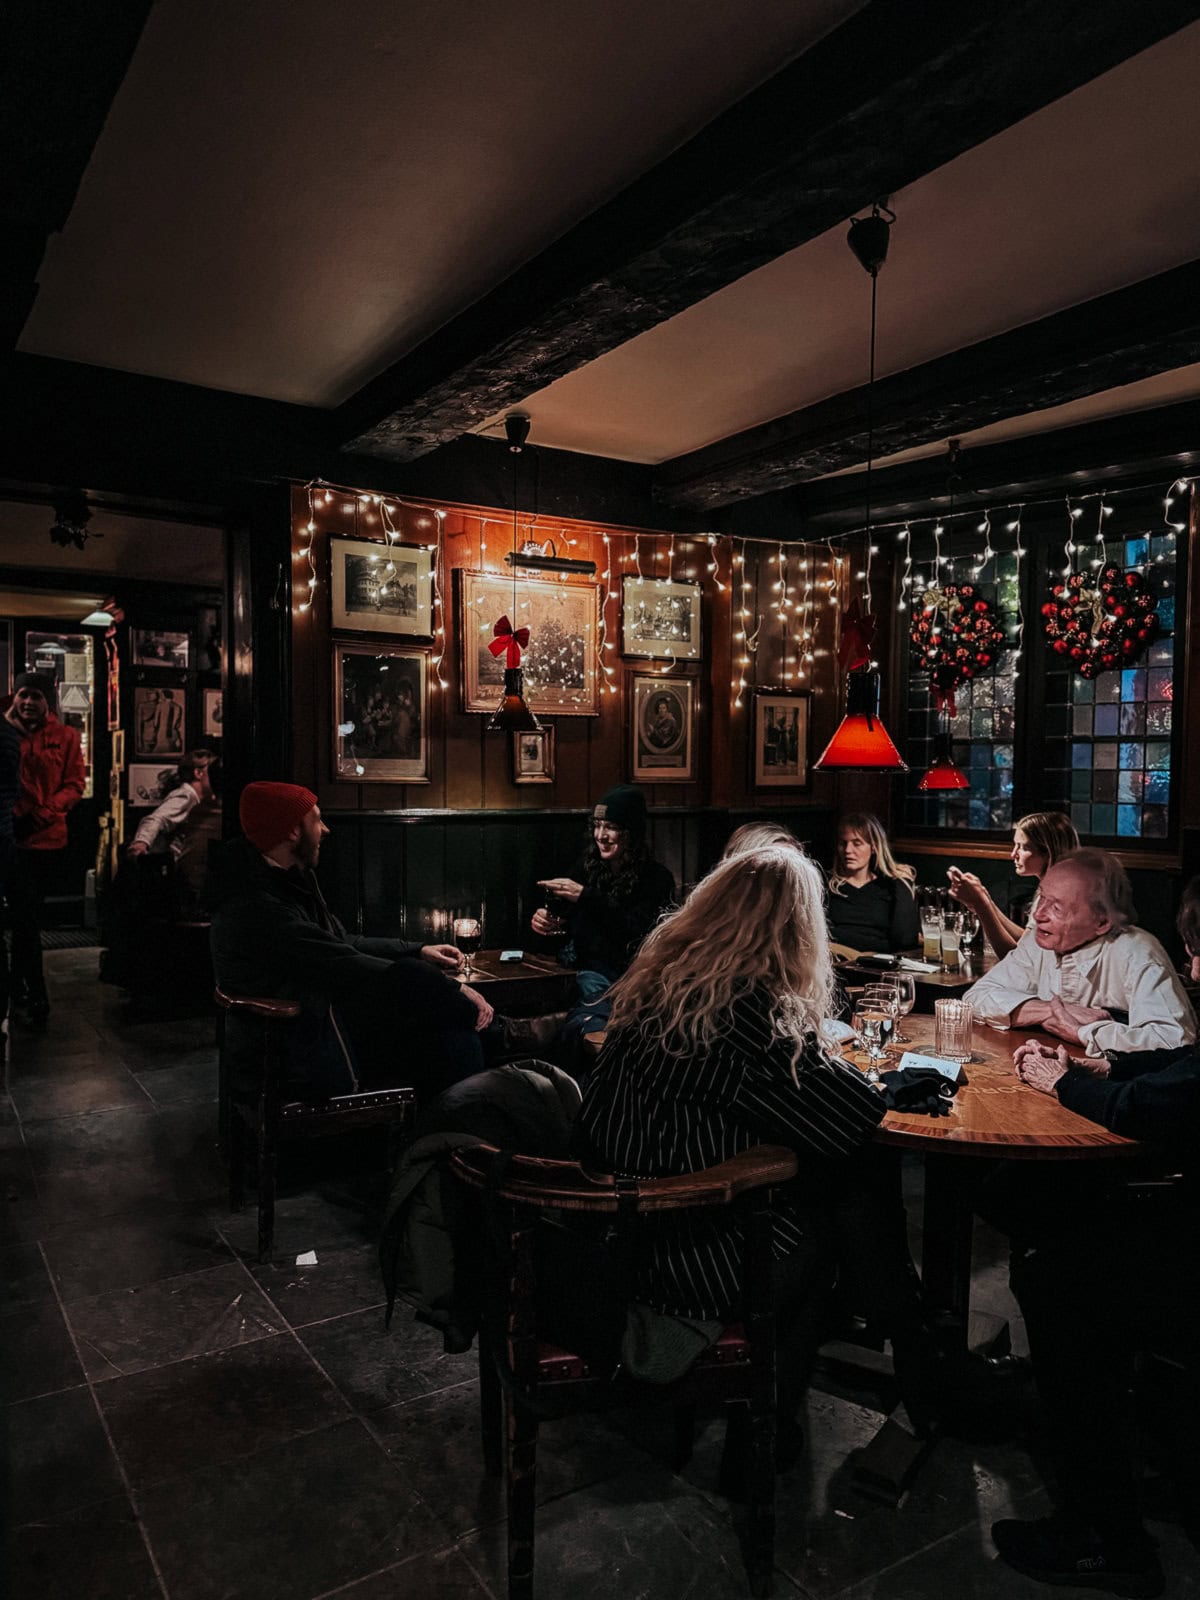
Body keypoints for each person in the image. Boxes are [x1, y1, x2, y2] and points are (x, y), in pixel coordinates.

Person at [577, 846, 889, 1454]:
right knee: (832, 1217)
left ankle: (905, 1335)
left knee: (834, 1195)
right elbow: (855, 1115)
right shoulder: (750, 1015)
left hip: (612, 1232)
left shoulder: (662, 987)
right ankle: (766, 1437)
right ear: (797, 930)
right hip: (684, 1255)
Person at [985, 876, 1200, 1596]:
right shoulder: (1044, 953)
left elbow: (1160, 1100)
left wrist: (1068, 1080)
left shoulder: (1137, 952)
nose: (1191, 970)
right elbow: (1174, 1073)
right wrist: (1114, 1058)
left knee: (1053, 1276)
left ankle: (1107, 1536)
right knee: (1047, 1224)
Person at [207, 781, 502, 1100]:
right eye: (316, 820)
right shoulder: (256, 905)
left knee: (450, 1031)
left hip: (320, 1024)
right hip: (298, 1047)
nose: (325, 829)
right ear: (293, 831)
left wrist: (417, 950)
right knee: (448, 1026)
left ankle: (450, 1126)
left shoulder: (285, 880)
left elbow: (342, 941)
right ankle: (477, 1101)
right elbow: (342, 959)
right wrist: (453, 988)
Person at [963, 848, 1195, 1057]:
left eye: (1056, 907)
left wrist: (1086, 1032)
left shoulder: (1137, 953)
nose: (1038, 915)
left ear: (1102, 922)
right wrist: (1049, 1011)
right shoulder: (1041, 942)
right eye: (1041, 898)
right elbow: (974, 999)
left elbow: (1174, 1041)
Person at [531, 784, 675, 1051]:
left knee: (594, 994)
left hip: (634, 977)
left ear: (631, 833)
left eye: (611, 827)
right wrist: (544, 920)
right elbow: (562, 920)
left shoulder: (656, 879)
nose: (601, 836)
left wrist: (587, 897)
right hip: (582, 972)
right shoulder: (587, 869)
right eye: (597, 826)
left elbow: (637, 930)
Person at [3, 672, 85, 1025]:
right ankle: (32, 991)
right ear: (14, 697)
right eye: (22, 694)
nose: (28, 702)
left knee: (27, 917)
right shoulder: (4, 733)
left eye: (35, 696)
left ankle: (22, 987)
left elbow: (74, 784)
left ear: (47, 701)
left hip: (48, 840)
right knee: (25, 919)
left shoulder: (65, 737)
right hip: (10, 836)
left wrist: (43, 814)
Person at [947, 811, 1079, 957]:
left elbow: (1015, 959)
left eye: (1023, 847)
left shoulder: (1055, 900)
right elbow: (1027, 941)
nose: (1013, 854)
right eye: (1015, 845)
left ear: (1048, 852)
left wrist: (982, 906)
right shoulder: (1056, 888)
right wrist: (987, 901)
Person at [825, 811, 919, 953]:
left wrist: (903, 882)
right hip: (836, 959)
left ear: (874, 847)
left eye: (857, 844)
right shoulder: (827, 884)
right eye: (843, 843)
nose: (848, 850)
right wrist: (884, 945)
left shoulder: (888, 887)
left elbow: (905, 940)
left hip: (878, 964)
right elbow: (822, 935)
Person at [128, 750, 216, 863]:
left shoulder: (196, 799)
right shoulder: (186, 796)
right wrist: (141, 843)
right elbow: (156, 818)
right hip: (173, 867)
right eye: (211, 770)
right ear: (198, 773)